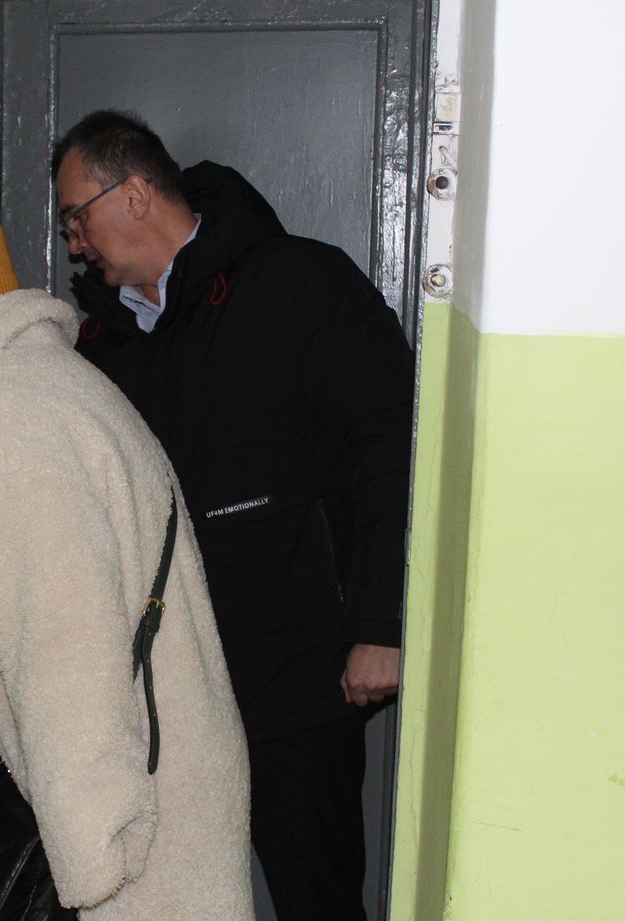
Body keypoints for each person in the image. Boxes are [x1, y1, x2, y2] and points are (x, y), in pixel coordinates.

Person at [52, 111, 414, 921]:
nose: (74, 243)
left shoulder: (301, 285)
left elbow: (392, 447)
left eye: (78, 217)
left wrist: (381, 623)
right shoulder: (100, 347)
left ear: (134, 194)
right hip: (168, 698)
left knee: (317, 902)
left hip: (300, 685)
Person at [0, 187, 256, 921]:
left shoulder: (8, 416)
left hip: (132, 813)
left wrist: (90, 848)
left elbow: (66, 647)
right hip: (162, 759)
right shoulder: (43, 382)